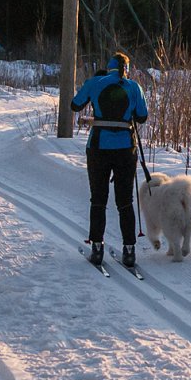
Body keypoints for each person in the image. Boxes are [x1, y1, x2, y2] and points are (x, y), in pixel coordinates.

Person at [70, 50, 149, 268]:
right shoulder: (134, 87)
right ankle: (130, 250)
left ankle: (97, 248)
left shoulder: (96, 82)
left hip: (98, 148)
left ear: (109, 66)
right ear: (127, 69)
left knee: (98, 199)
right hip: (125, 148)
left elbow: (75, 105)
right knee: (125, 201)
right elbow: (142, 116)